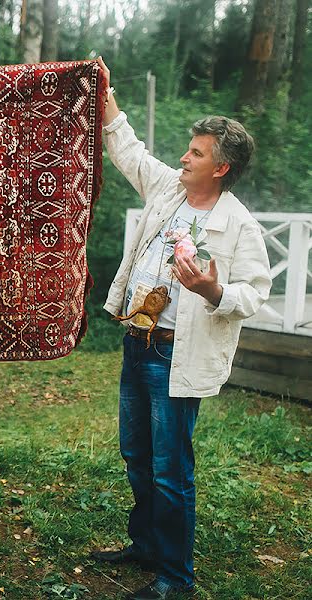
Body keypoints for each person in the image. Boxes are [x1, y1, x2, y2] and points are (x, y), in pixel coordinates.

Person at [90, 58, 272, 600]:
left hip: (175, 355)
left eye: (195, 153)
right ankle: (146, 546)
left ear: (221, 168)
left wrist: (213, 292)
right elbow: (126, 150)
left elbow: (255, 292)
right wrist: (106, 90)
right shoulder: (169, 190)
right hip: (136, 340)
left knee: (171, 470)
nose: (183, 157)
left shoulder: (239, 224)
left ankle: (175, 579)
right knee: (135, 454)